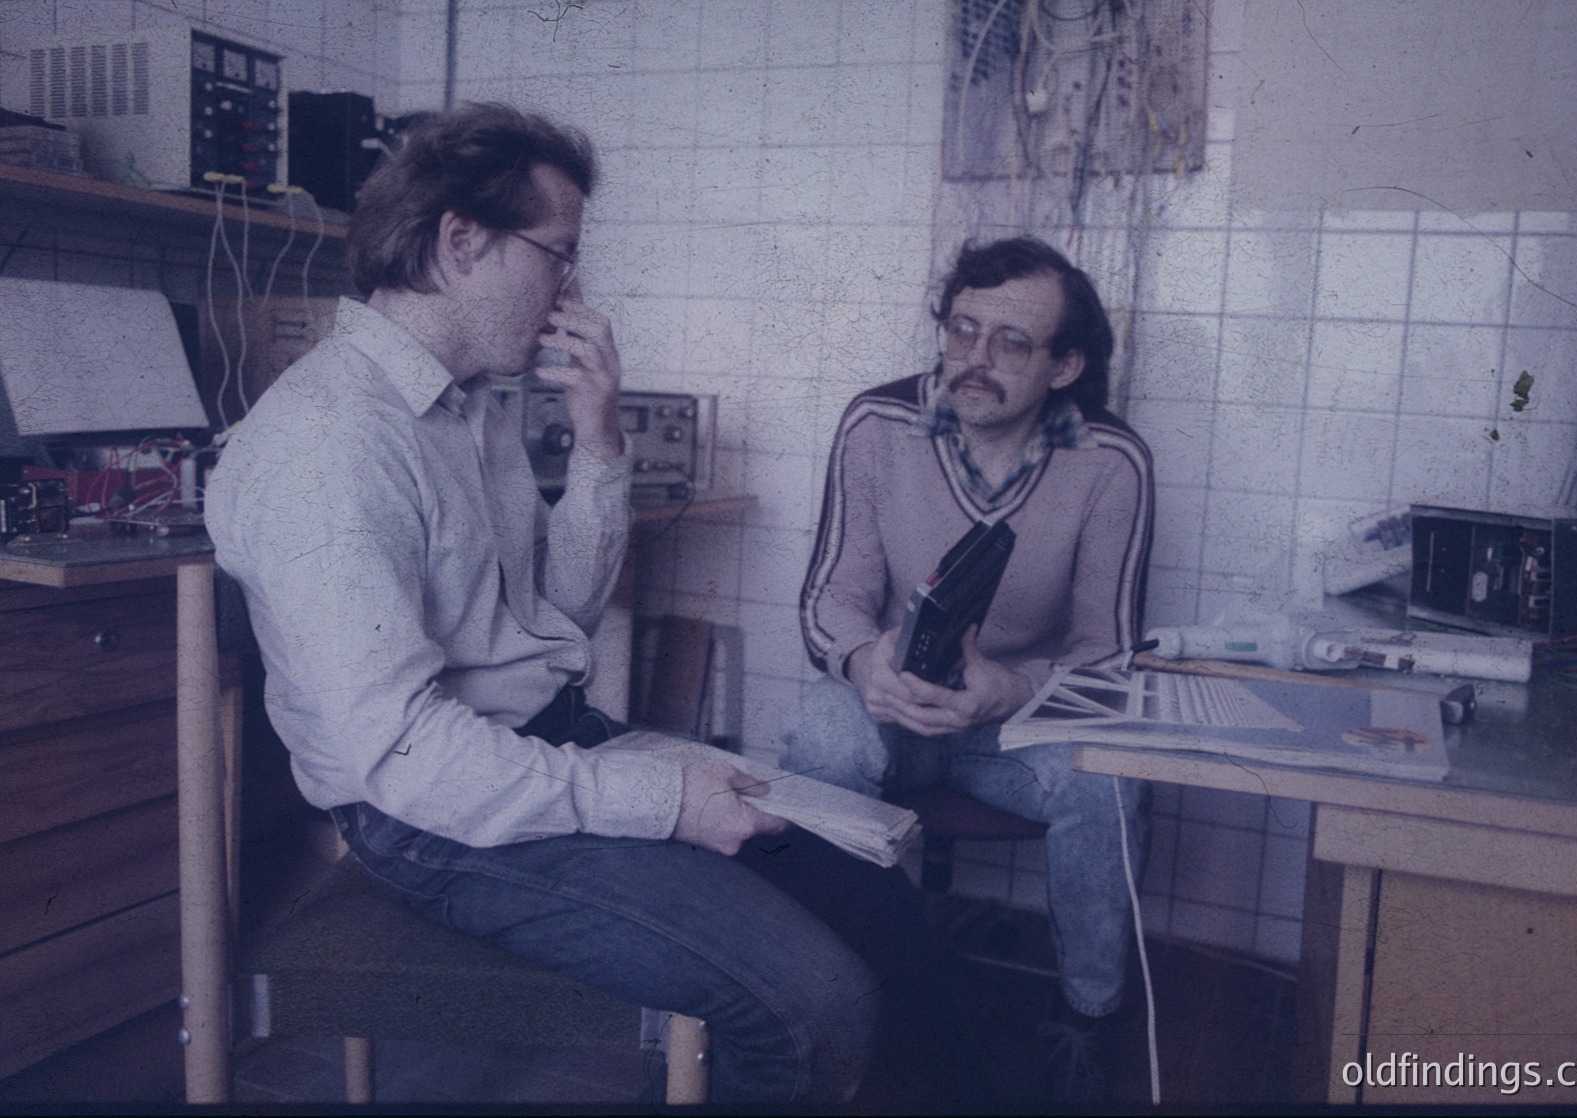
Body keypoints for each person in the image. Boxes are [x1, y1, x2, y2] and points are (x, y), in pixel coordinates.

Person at [207, 102, 964, 1108]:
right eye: (559, 256)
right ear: (461, 241)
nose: (573, 290)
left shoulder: (467, 407)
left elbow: (559, 614)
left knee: (870, 899)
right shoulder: (330, 441)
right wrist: (664, 800)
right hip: (432, 816)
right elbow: (406, 756)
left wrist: (598, 438)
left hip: (546, 747)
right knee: (810, 1003)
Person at [787, 236, 1155, 1101]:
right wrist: (864, 662)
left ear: (1066, 366)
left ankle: (1087, 1016)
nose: (975, 360)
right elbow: (830, 600)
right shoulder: (877, 424)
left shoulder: (1111, 460)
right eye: (962, 330)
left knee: (1109, 778)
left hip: (1014, 725)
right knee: (819, 736)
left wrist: (1011, 689)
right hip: (890, 701)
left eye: (1012, 342)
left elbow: (1108, 654)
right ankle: (832, 991)